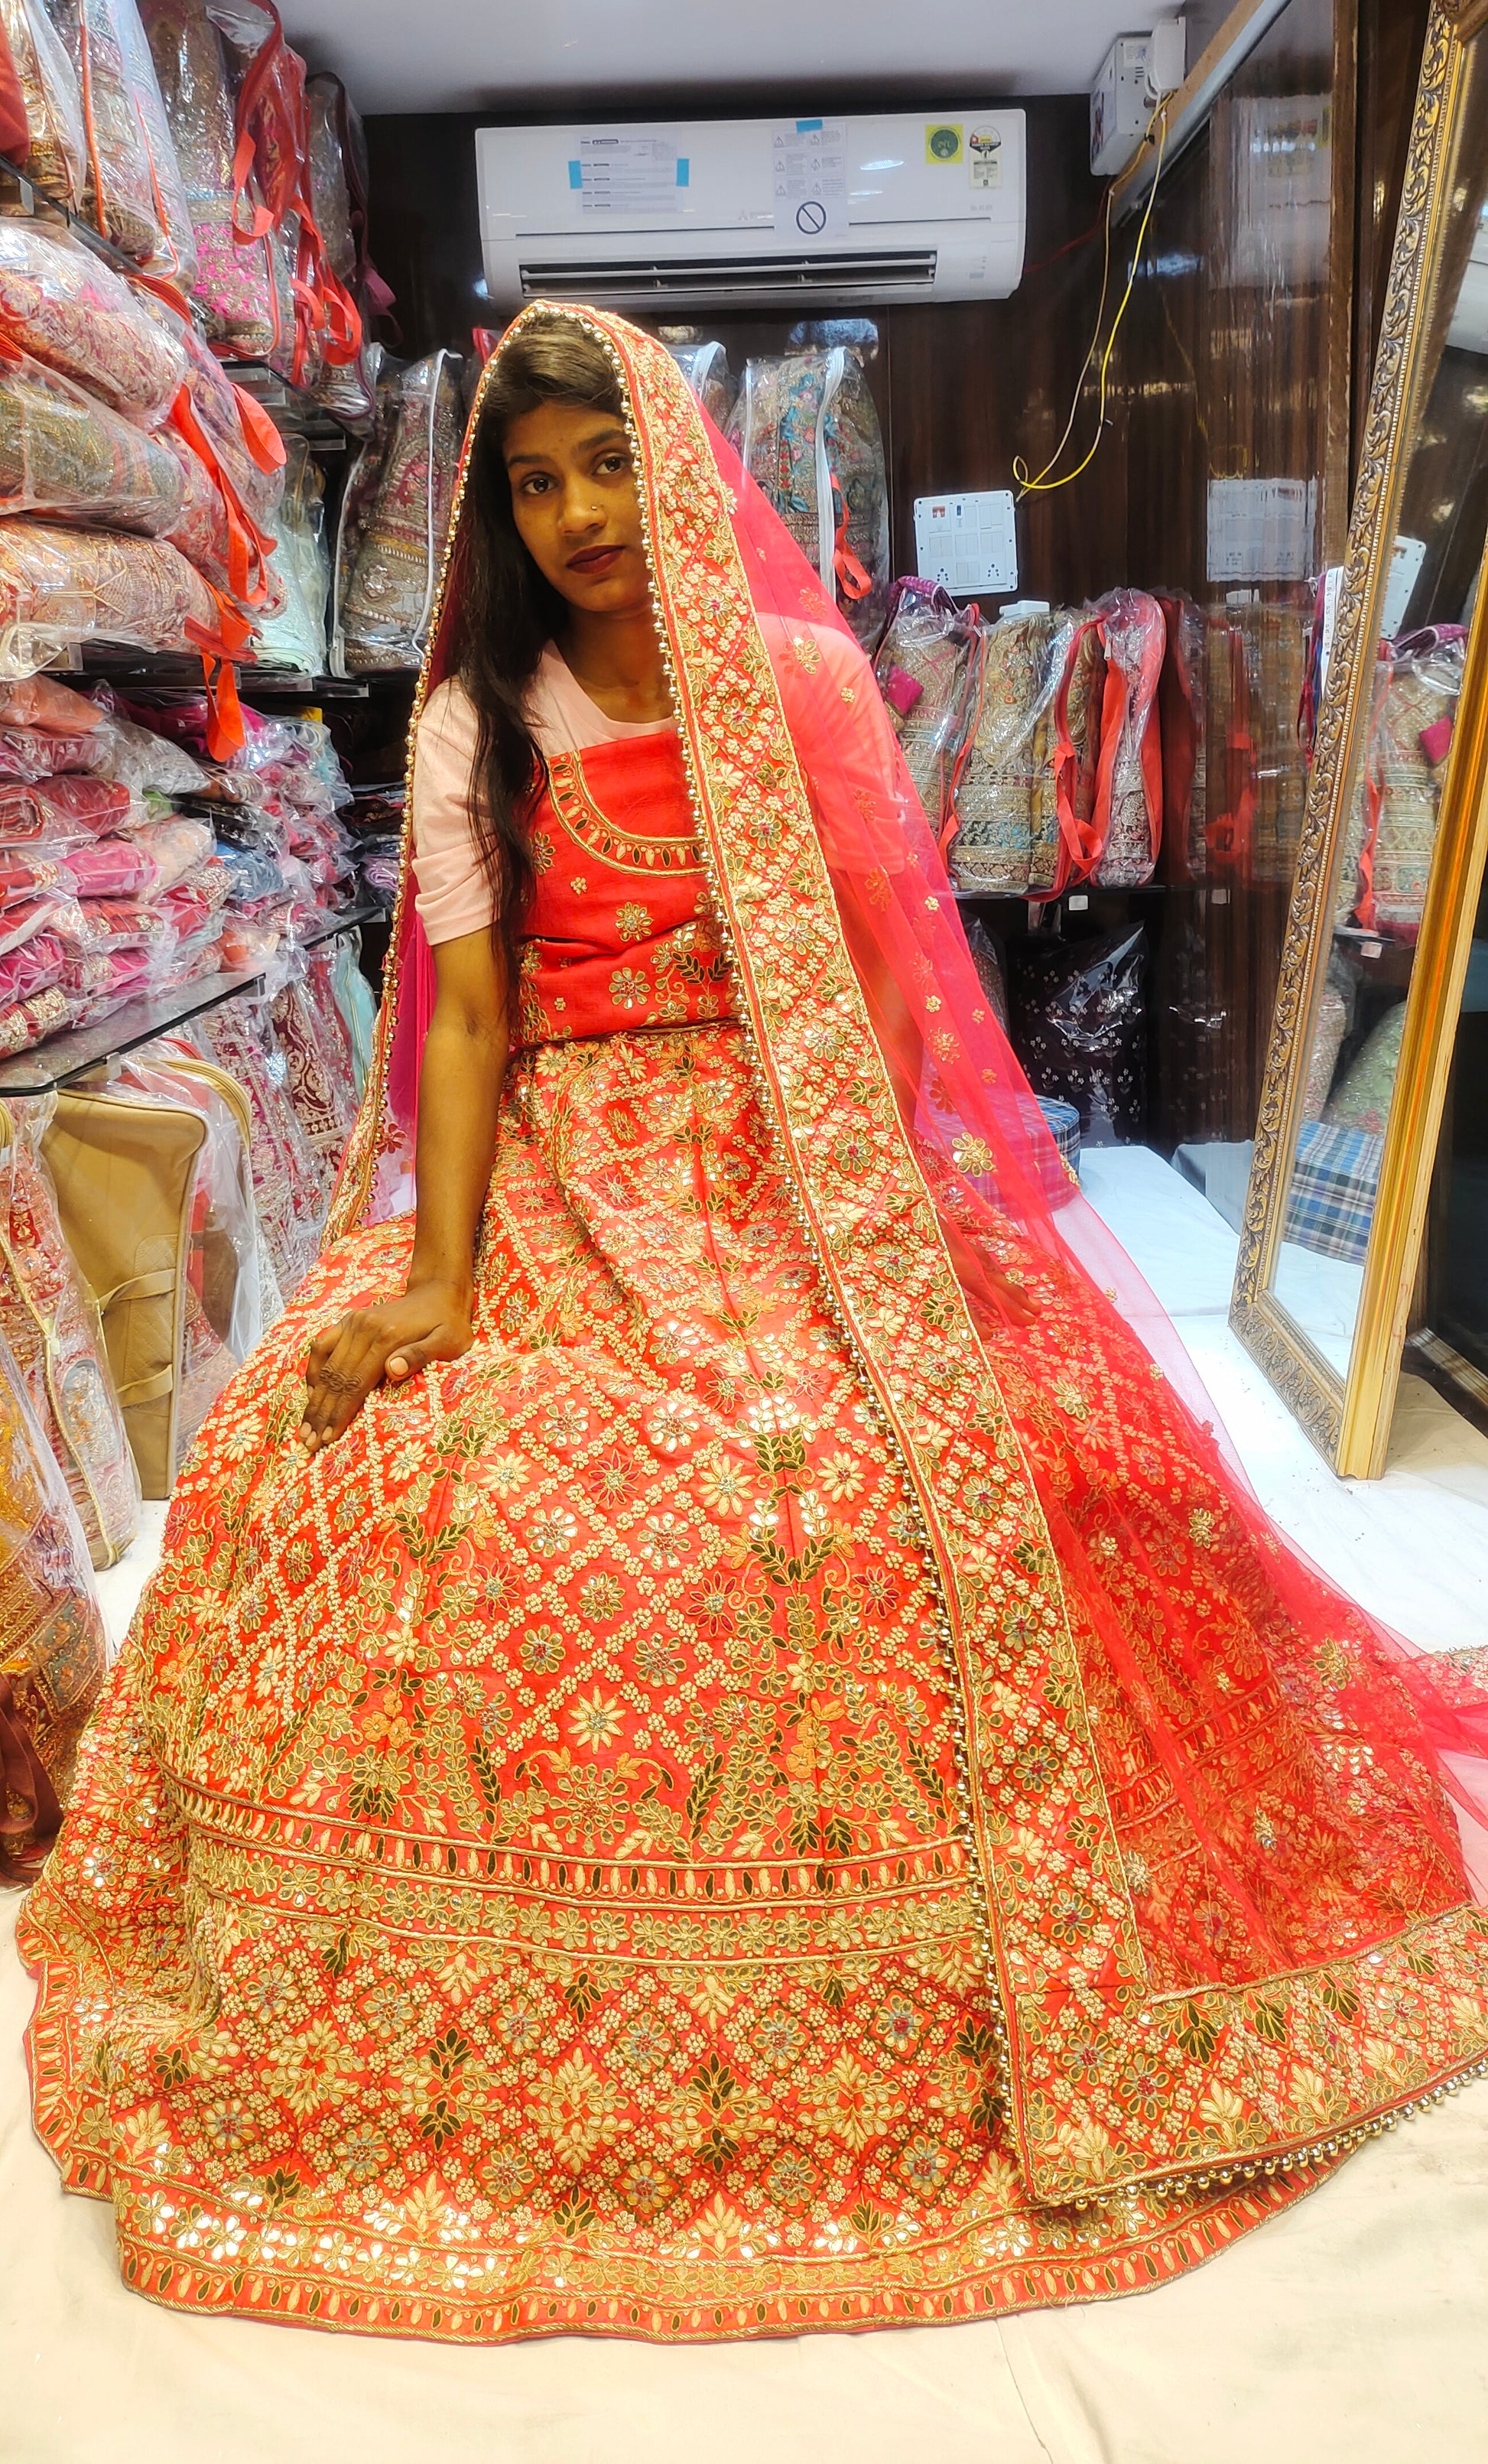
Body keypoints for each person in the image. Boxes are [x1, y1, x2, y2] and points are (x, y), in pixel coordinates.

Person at [18, 305, 1488, 2345]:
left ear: (685, 466)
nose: (578, 514)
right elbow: (470, 1021)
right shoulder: (477, 725)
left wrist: (869, 1209)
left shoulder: (799, 681)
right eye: (533, 484)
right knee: (385, 1476)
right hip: (565, 1156)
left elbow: (885, 968)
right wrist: (438, 1276)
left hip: (798, 1142)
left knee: (935, 1468)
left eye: (609, 464)